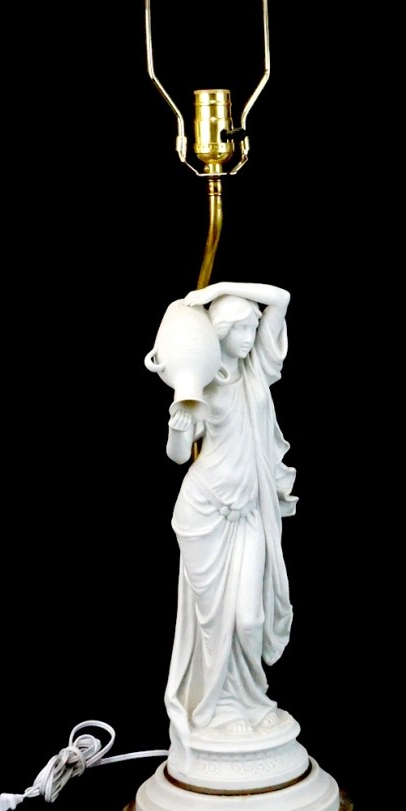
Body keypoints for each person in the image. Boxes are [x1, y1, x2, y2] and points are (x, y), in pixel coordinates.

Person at [160, 281, 297, 753]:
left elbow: (280, 299)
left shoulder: (257, 370)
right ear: (218, 333)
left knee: (250, 616)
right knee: (214, 620)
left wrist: (215, 290)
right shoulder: (199, 380)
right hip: (205, 512)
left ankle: (250, 702)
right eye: (241, 329)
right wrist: (178, 429)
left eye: (253, 329)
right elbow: (179, 456)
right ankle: (217, 710)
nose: (249, 338)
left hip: (250, 510)